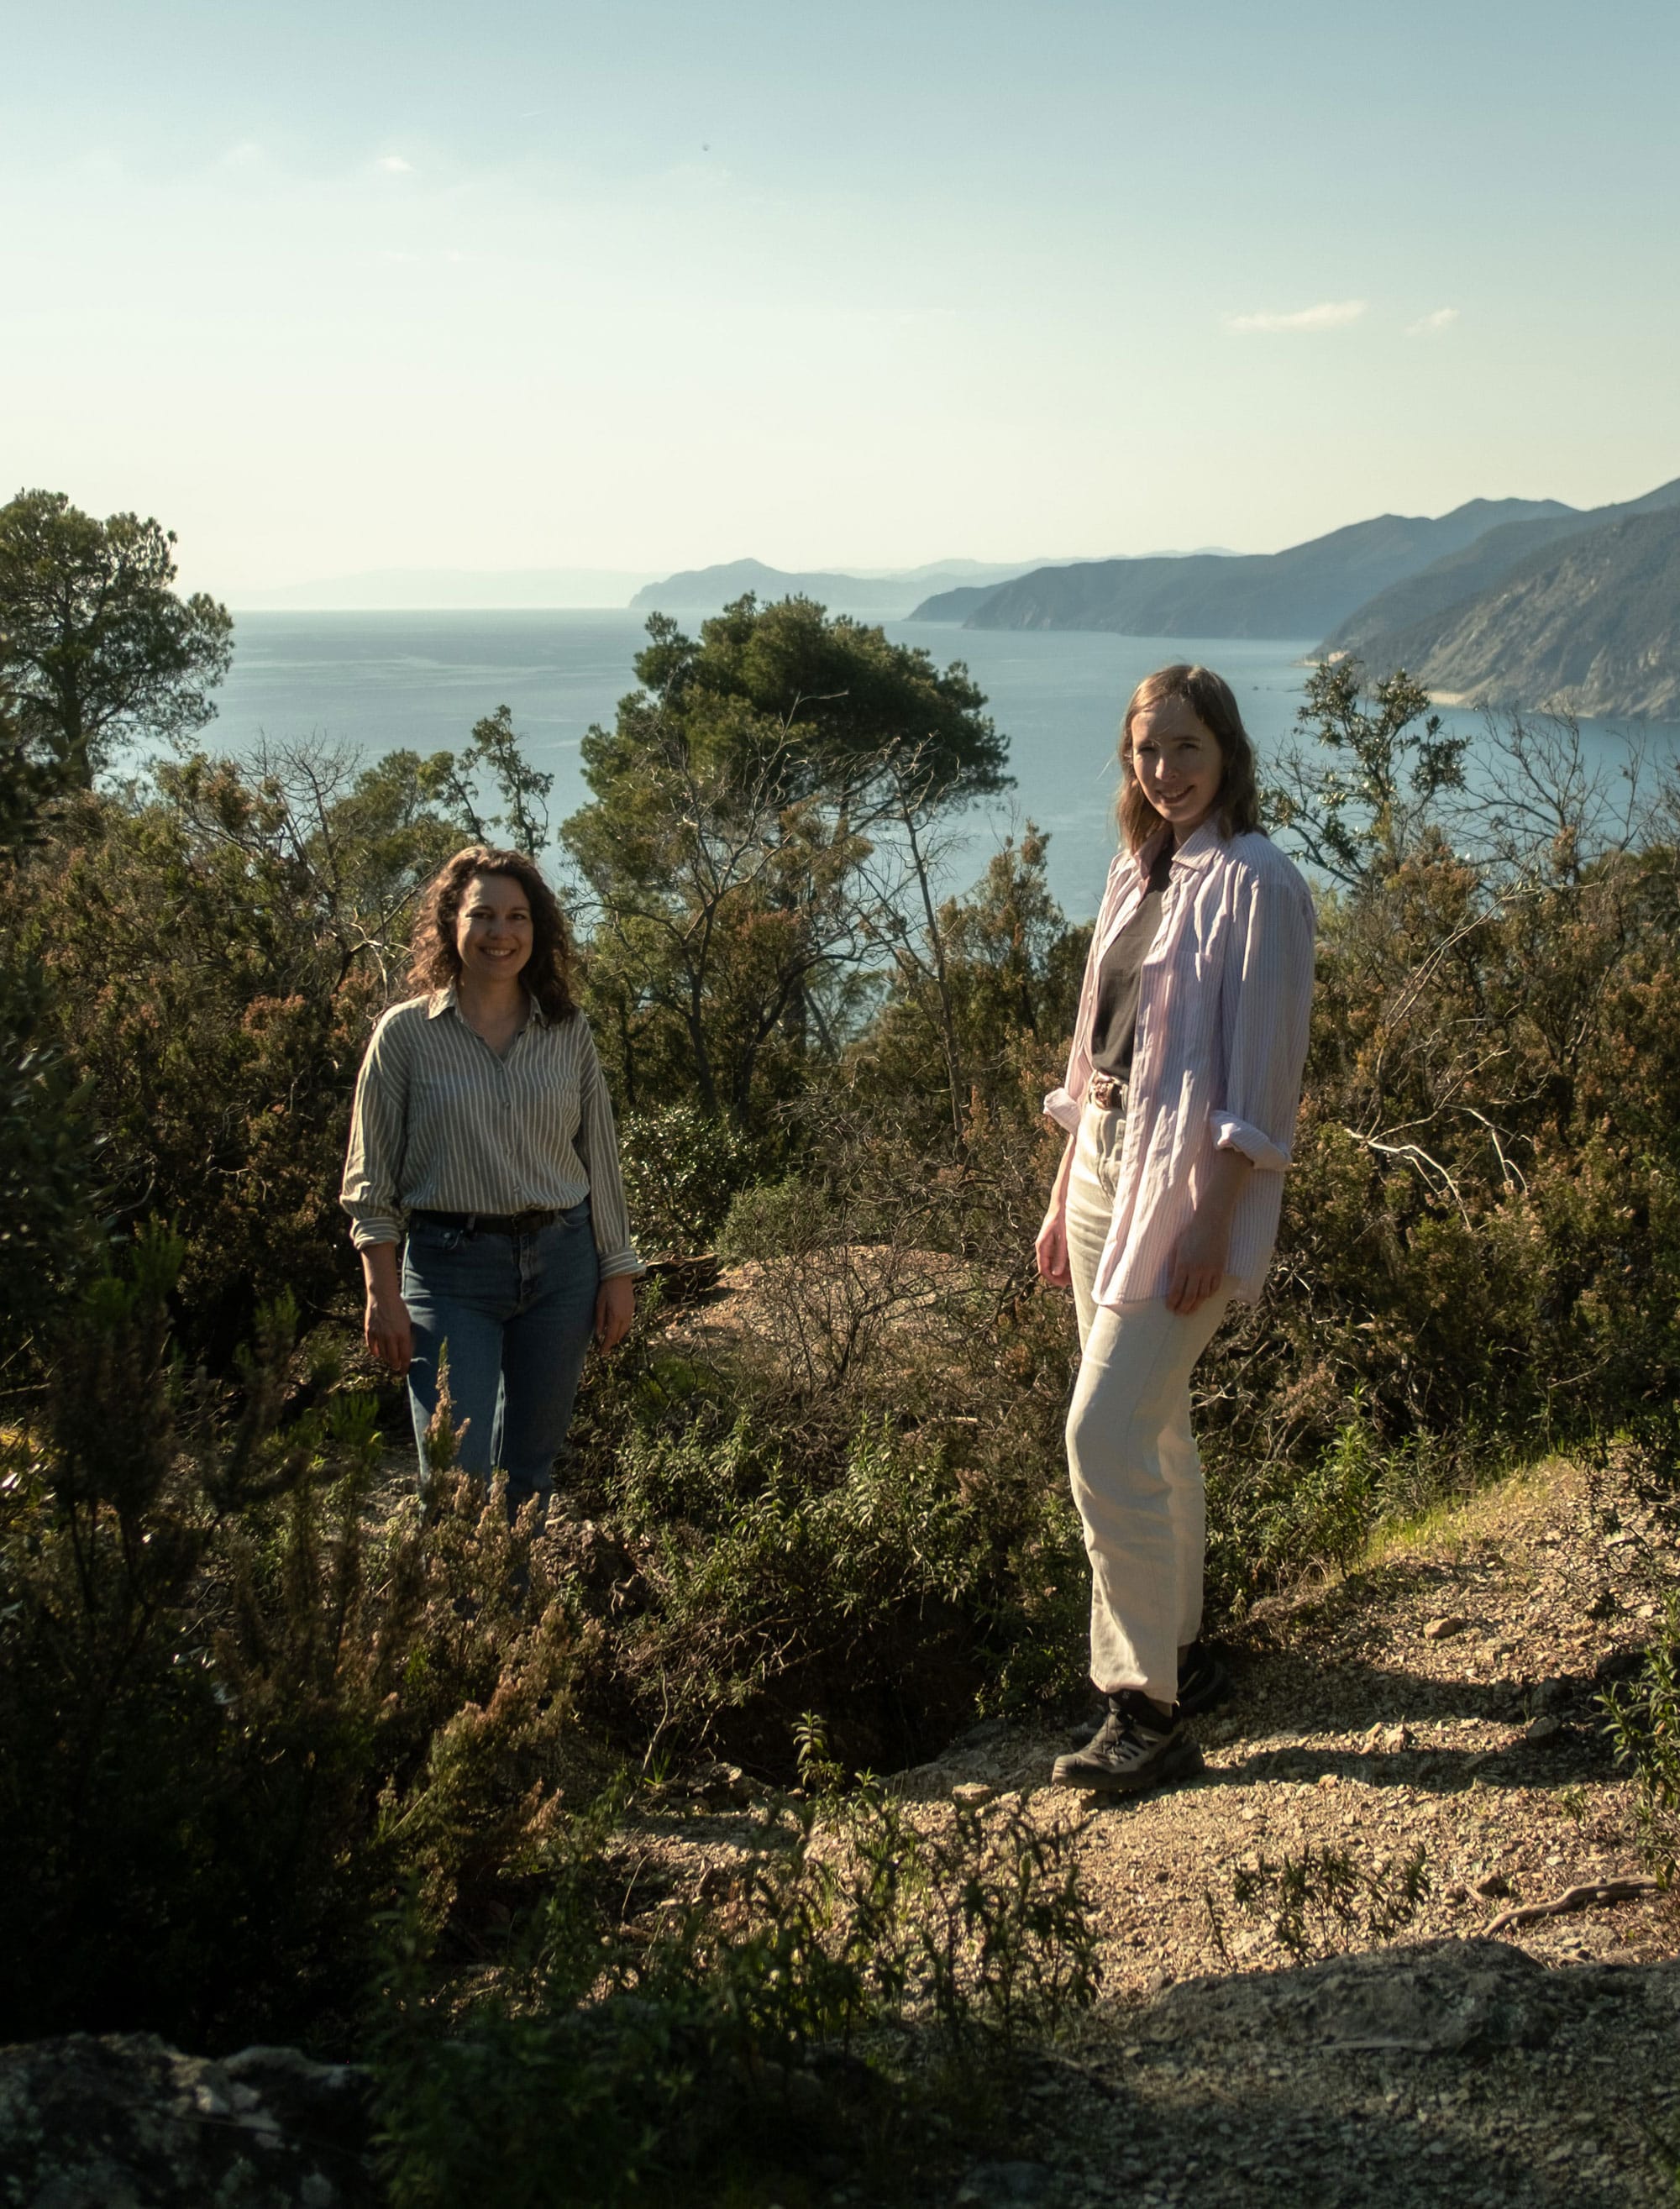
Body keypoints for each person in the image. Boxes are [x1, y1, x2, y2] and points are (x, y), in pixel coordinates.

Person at [1035, 665, 1314, 1793]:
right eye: (1148, 751)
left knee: (1101, 1436)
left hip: (1182, 1192)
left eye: (1187, 749)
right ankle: (1184, 1651)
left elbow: (1265, 1080)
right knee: (1156, 1432)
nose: (1166, 772)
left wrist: (1208, 1222)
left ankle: (1140, 1705)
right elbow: (1093, 1049)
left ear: (1227, 751)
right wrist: (1064, 1191)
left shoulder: (1259, 880)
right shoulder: (1137, 868)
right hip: (1103, 1171)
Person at [341, 844, 642, 1519]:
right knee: (453, 1473)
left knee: (530, 1473)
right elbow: (371, 1183)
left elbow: (599, 1155)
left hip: (563, 1270)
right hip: (449, 1276)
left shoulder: (568, 1032)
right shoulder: (405, 1036)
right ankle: (454, 1621)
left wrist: (617, 1270)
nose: (500, 934)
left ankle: (511, 1615)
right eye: (483, 915)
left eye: (517, 917)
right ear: (452, 923)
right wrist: (381, 1295)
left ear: (538, 931)